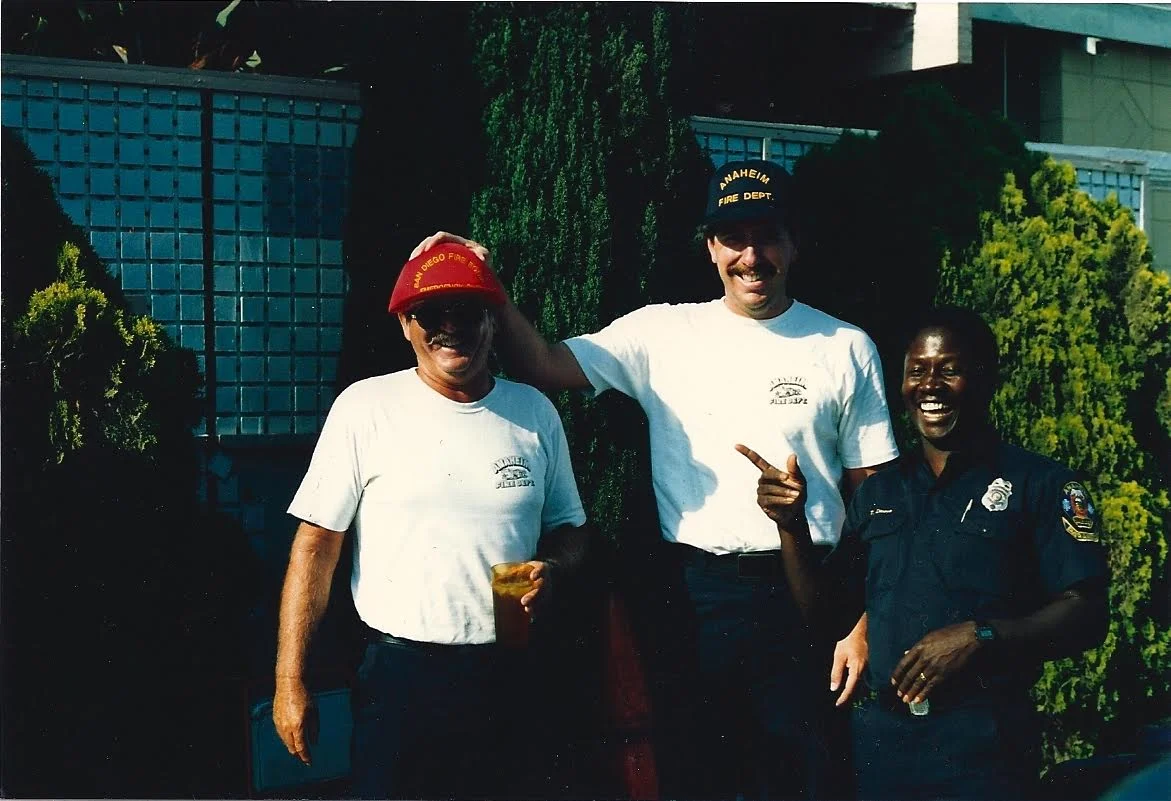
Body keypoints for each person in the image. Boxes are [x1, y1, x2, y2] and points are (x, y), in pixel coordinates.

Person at [411, 159, 900, 799]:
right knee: (695, 777)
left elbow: (877, 500)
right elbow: (543, 365)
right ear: (710, 247)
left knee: (805, 779)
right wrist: (485, 282)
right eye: (734, 238)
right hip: (695, 597)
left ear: (794, 241)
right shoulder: (661, 332)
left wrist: (861, 622)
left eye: (768, 237)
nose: (751, 257)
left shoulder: (844, 346)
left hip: (809, 593)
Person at [739, 306, 1109, 800]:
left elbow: (1087, 614)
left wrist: (982, 635)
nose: (930, 385)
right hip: (883, 749)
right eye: (917, 371)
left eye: (949, 370)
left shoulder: (1039, 483)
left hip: (986, 746)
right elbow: (826, 615)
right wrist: (791, 527)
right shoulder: (880, 493)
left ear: (986, 379)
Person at [272, 243, 589, 799]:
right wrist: (289, 680)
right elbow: (316, 546)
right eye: (429, 314)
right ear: (403, 324)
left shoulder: (534, 413)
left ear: (492, 319)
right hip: (400, 679)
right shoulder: (366, 407)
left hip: (510, 674)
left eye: (466, 310)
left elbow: (571, 529)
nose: (450, 327)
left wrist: (554, 568)